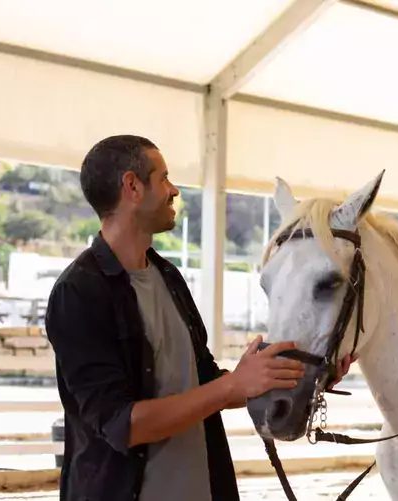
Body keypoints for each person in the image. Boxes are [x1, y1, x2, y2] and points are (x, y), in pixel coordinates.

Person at [44, 135, 305, 501]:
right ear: (132, 186)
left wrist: (272, 376)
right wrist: (232, 386)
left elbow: (204, 382)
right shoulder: (78, 293)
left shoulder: (168, 276)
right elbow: (123, 424)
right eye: (163, 178)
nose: (174, 190)